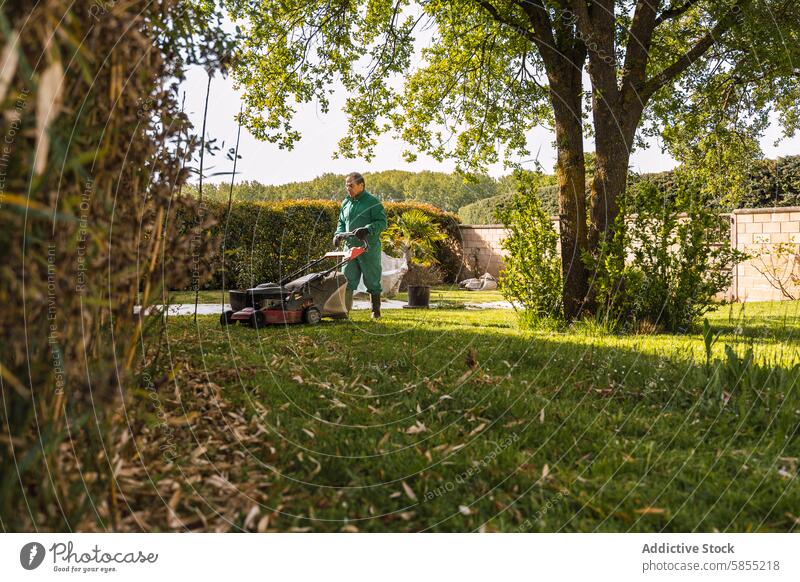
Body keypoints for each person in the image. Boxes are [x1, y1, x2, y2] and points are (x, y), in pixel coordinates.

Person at [333, 172, 387, 319]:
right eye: (346, 185)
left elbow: (382, 223)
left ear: (361, 185)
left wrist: (367, 229)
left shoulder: (373, 202)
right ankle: (344, 312)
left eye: (350, 185)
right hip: (350, 247)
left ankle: (375, 311)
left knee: (372, 279)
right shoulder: (346, 203)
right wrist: (338, 234)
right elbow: (342, 223)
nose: (347, 188)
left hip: (368, 247)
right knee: (347, 279)